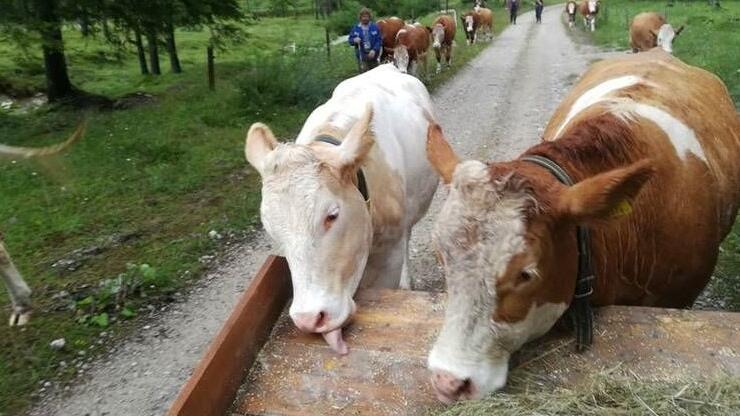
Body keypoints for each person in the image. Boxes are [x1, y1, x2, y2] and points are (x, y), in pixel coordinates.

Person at [347, 8, 382, 73]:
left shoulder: (375, 27)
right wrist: (354, 40)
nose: (365, 18)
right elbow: (350, 40)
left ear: (369, 17)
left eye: (367, 17)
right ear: (360, 17)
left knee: (376, 75)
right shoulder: (356, 28)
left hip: (373, 56)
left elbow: (379, 40)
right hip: (362, 57)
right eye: (363, 17)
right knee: (364, 76)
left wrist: (374, 50)